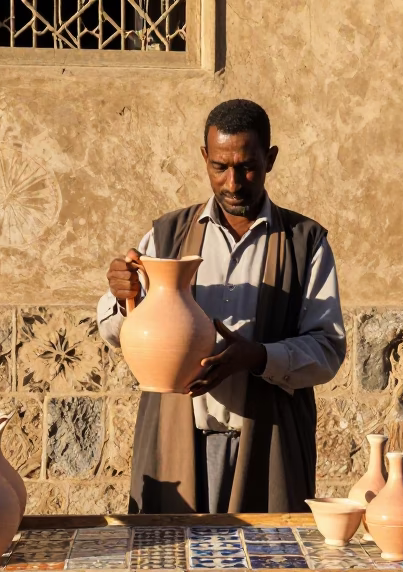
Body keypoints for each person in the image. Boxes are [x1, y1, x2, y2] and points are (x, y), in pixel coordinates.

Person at [97, 99, 346, 514]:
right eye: (219, 167)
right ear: (204, 158)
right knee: (175, 568)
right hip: (175, 441)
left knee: (264, 571)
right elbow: (113, 330)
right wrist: (124, 299)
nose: (233, 183)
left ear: (270, 159)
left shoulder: (306, 243)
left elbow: (327, 350)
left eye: (247, 166)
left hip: (268, 446)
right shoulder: (167, 235)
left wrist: (260, 357)